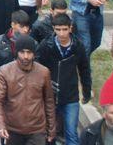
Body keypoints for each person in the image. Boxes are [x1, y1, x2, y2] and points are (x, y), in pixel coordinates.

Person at [34, 13, 92, 145]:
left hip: (70, 96)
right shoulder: (46, 45)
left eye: (64, 29)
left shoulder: (78, 46)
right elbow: (37, 68)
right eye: (58, 29)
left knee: (71, 133)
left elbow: (84, 69)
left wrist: (86, 90)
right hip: (49, 96)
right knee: (49, 133)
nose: (61, 33)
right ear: (53, 29)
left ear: (70, 28)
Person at [0, 34, 56, 145]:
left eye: (29, 52)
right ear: (16, 52)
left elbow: (49, 101)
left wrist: (51, 128)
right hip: (12, 130)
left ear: (34, 54)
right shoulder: (5, 71)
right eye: (22, 52)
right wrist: (0, 126)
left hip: (37, 130)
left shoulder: (43, 72)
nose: (25, 56)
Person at [0, 10, 32, 95]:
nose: (25, 30)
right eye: (22, 26)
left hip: (23, 88)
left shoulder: (32, 43)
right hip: (1, 86)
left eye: (27, 27)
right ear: (13, 24)